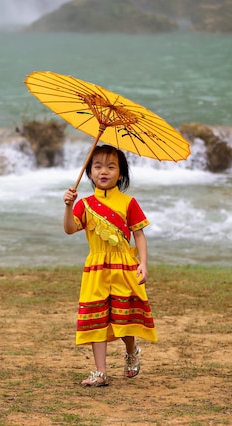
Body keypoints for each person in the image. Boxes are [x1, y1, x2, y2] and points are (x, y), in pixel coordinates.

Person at [63, 144, 157, 387]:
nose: (103, 171)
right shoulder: (84, 204)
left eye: (111, 166)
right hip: (96, 268)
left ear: (121, 173)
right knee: (96, 318)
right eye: (98, 166)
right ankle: (101, 372)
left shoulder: (128, 203)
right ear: (90, 172)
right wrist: (67, 206)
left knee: (124, 318)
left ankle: (131, 351)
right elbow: (70, 229)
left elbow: (139, 235)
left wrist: (143, 264)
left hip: (124, 267)